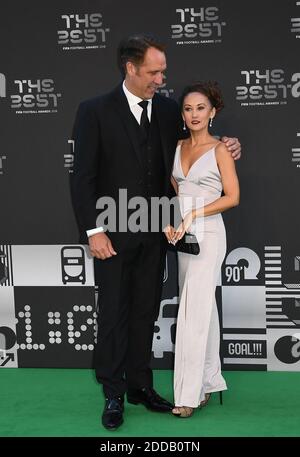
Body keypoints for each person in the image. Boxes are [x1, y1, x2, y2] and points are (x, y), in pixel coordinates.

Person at [71, 34, 241, 430]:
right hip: (112, 232)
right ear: (131, 68)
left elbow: (200, 143)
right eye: (154, 71)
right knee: (113, 313)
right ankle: (113, 393)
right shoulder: (94, 110)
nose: (161, 78)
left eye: (162, 70)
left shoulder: (168, 111)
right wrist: (93, 231)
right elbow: (82, 179)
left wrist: (230, 143)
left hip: (158, 231)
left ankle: (140, 387)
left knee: (145, 312)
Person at [165, 81, 240, 418]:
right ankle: (210, 380)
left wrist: (194, 213)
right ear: (182, 114)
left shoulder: (221, 149)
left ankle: (187, 395)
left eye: (200, 108)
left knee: (193, 312)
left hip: (209, 233)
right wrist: (173, 220)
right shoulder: (176, 147)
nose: (194, 114)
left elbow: (232, 197)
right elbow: (176, 191)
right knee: (200, 307)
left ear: (213, 112)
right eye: (188, 108)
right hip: (183, 237)